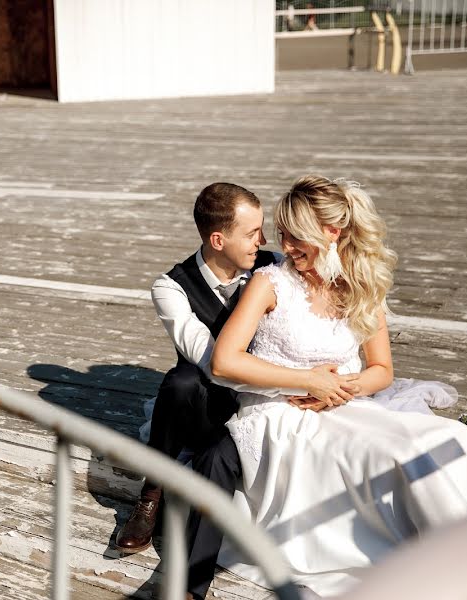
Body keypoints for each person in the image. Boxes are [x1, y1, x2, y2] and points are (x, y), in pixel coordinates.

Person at [183, 175, 467, 599]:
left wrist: (342, 385)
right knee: (397, 457)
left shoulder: (361, 284)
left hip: (345, 406)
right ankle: (466, 568)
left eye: (294, 236)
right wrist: (309, 380)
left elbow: (381, 371)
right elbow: (225, 359)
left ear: (332, 232)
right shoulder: (271, 283)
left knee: (447, 438)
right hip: (280, 418)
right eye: (283, 235)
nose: (284, 246)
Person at [115, 182, 358, 553]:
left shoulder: (275, 265)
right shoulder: (172, 288)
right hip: (208, 402)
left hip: (269, 402)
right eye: (251, 233)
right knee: (181, 381)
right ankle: (152, 492)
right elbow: (216, 364)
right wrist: (302, 382)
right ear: (217, 240)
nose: (262, 240)